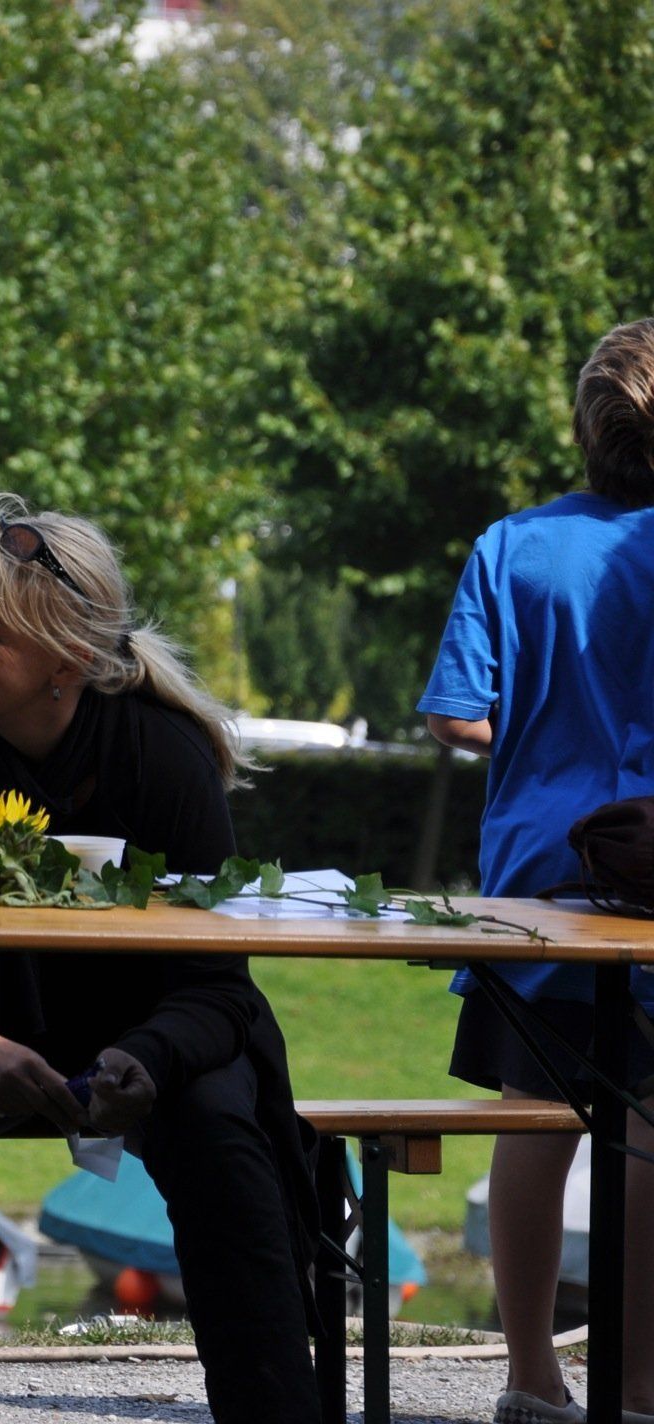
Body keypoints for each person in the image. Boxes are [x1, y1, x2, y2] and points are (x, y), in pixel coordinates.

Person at [0, 493, 321, 1424]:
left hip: (143, 1033)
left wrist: (148, 1057)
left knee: (218, 1115)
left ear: (67, 659)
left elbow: (215, 982)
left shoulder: (164, 755)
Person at [419, 318, 654, 1424]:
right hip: (650, 872)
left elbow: (455, 715)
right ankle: (640, 1385)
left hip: (536, 875)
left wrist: (543, 736)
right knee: (650, 1121)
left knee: (535, 1110)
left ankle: (529, 1377)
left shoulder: (511, 544)